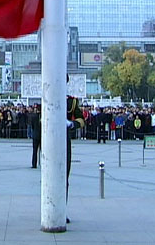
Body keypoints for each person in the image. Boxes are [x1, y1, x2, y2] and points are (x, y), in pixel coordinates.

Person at [66, 75, 84, 223]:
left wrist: (72, 124)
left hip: (65, 140)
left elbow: (81, 120)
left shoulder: (71, 102)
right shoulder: (46, 98)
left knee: (64, 177)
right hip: (49, 141)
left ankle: (62, 209)